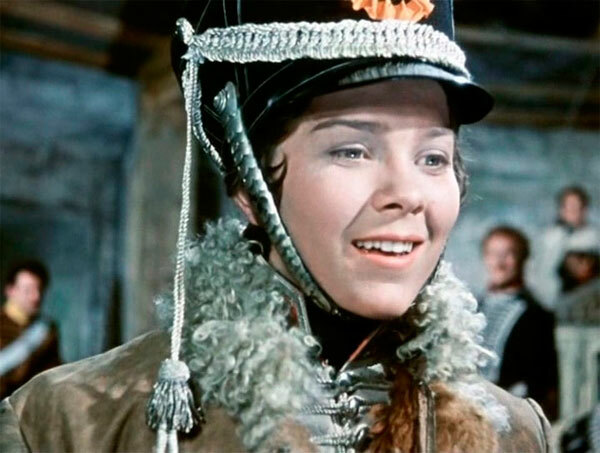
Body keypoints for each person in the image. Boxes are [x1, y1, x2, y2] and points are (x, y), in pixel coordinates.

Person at [0, 1, 551, 452]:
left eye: (433, 158)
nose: (407, 195)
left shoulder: (517, 435)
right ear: (249, 186)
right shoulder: (65, 424)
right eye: (352, 150)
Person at [478, 226, 558, 421]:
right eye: (493, 254)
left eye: (508, 254)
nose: (499, 263)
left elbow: (542, 387)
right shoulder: (471, 307)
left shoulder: (537, 316)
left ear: (522, 259)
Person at [531, 186, 599, 310]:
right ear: (561, 210)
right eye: (570, 207)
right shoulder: (549, 238)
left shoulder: (594, 237)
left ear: (585, 209)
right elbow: (540, 273)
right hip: (558, 299)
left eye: (579, 207)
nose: (575, 212)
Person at [0, 260, 60, 399]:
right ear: (10, 290)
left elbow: (54, 374)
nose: (36, 297)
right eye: (28, 290)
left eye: (40, 290)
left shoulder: (47, 330)